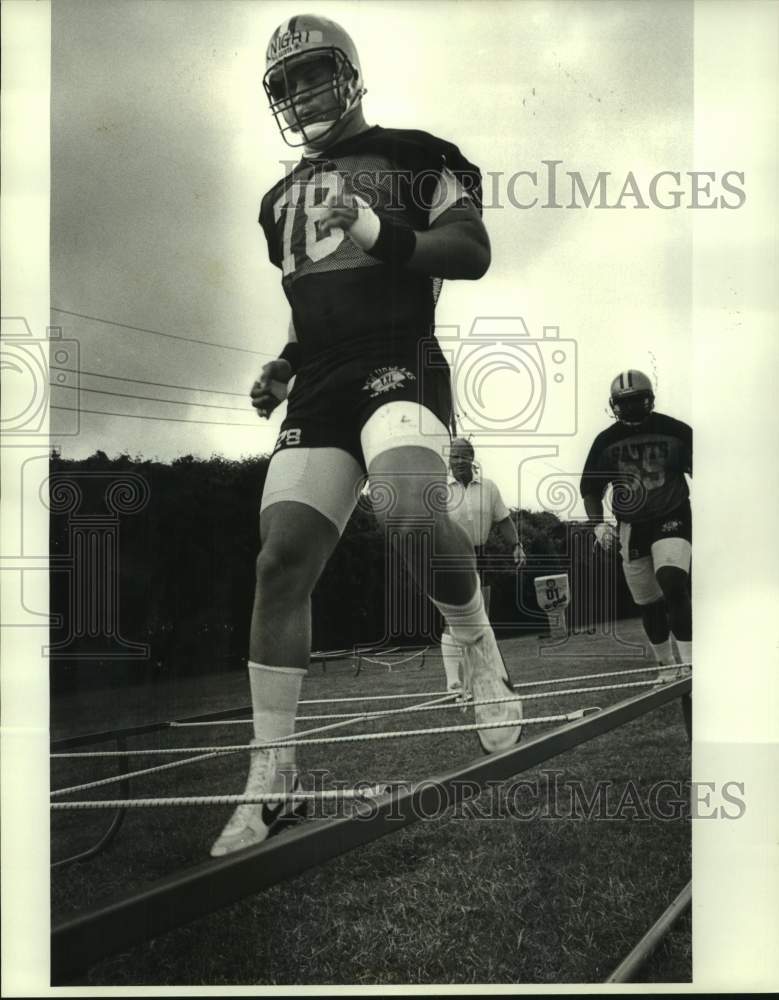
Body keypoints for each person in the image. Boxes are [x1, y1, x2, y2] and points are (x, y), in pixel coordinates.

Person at [211, 15, 523, 857]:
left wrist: (378, 230)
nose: (300, 94)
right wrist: (282, 364)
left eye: (312, 75)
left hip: (399, 358)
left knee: (410, 513)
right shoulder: (277, 200)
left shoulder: (418, 150)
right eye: (285, 85)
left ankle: (475, 642)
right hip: (322, 378)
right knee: (278, 561)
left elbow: (470, 249)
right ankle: (272, 776)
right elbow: (313, 303)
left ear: (347, 74)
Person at [579, 370, 692, 731]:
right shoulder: (605, 441)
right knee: (648, 603)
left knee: (672, 579)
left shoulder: (676, 430)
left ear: (650, 399)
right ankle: (665, 666)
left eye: (636, 400)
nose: (630, 407)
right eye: (624, 402)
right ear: (615, 405)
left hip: (672, 514)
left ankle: (688, 661)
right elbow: (590, 489)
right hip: (632, 526)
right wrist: (598, 523)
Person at [442, 437, 526, 695]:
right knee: (453, 618)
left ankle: (477, 679)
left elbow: (503, 520)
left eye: (462, 456)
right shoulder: (440, 488)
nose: (457, 462)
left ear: (472, 458)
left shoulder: (489, 487)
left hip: (481, 554)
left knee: (481, 619)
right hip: (451, 554)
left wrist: (517, 545)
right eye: (453, 457)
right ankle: (454, 683)